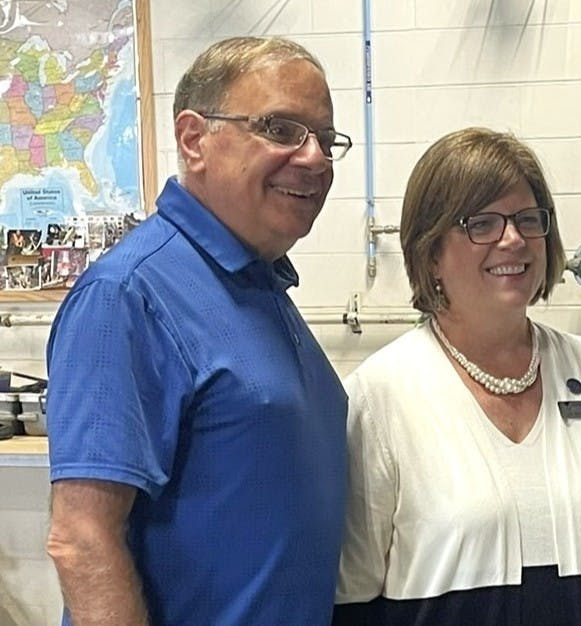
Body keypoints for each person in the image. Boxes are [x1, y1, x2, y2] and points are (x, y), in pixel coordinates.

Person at [45, 36, 353, 626]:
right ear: (194, 140)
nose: (314, 158)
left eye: (324, 138)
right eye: (282, 129)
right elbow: (82, 538)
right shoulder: (129, 294)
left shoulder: (258, 285)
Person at [333, 127, 581, 626]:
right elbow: (353, 597)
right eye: (482, 223)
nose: (512, 240)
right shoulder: (382, 394)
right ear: (430, 252)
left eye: (527, 220)